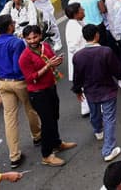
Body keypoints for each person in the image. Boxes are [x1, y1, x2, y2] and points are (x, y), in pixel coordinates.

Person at [0, 15, 41, 169]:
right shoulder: (16, 43)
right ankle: (37, 136)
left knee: (10, 119)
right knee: (30, 108)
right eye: (12, 22)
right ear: (10, 27)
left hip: (3, 82)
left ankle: (14, 156)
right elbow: (20, 65)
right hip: (19, 82)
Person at [17, 25, 76, 166]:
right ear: (25, 39)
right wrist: (47, 66)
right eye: (29, 38)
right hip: (38, 93)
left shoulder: (45, 47)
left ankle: (56, 142)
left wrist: (56, 62)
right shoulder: (24, 57)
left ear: (40, 36)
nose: (32, 40)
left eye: (35, 37)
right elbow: (30, 78)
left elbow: (52, 60)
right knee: (47, 122)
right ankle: (46, 154)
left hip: (50, 87)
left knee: (54, 116)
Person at [72, 24, 121, 162]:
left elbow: (78, 76)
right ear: (97, 35)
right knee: (109, 118)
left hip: (90, 91)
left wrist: (77, 90)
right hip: (107, 90)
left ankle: (98, 131)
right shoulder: (106, 51)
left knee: (95, 113)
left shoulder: (78, 56)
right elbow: (116, 69)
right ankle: (108, 149)